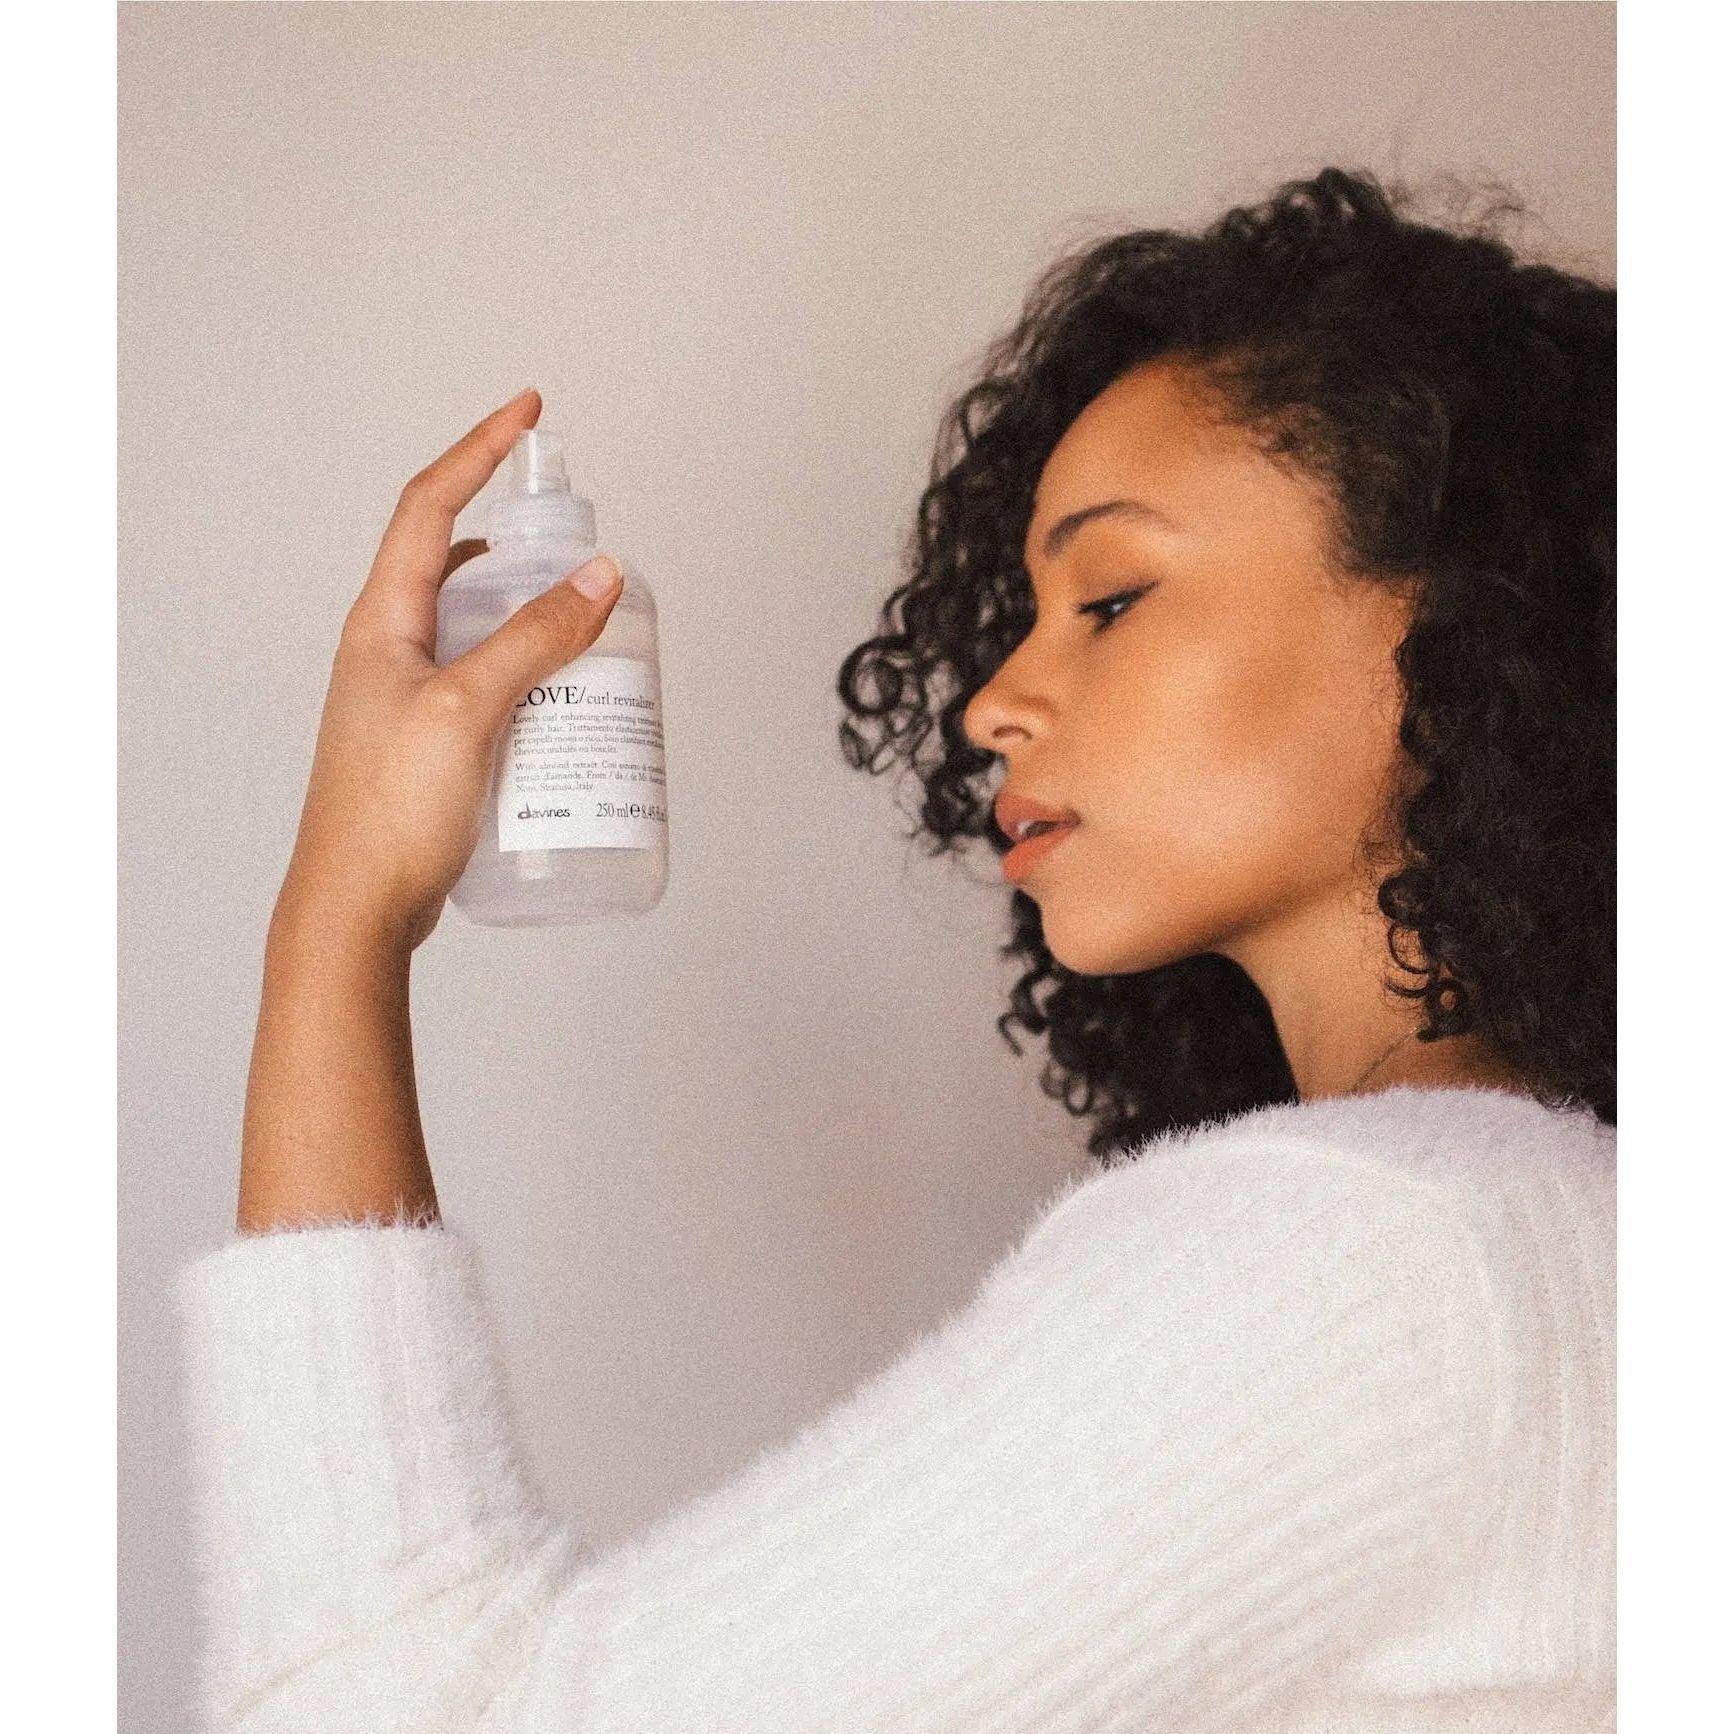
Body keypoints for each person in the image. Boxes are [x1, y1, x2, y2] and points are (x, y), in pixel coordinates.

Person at [176, 167, 1614, 1731]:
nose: (993, 701)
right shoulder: (1570, 1224)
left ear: (1459, 615)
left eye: (1109, 598)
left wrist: (340, 908)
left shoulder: (1369, 1260)